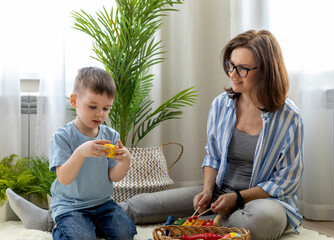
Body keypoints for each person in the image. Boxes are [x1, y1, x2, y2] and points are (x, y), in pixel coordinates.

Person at [6, 30, 303, 240]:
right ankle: (52, 219)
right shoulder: (222, 105)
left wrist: (238, 198)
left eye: (242, 68)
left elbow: (285, 182)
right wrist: (210, 190)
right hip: (221, 192)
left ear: (265, 70)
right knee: (148, 204)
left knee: (263, 222)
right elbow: (212, 155)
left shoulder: (289, 118)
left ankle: (217, 224)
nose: (232, 74)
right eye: (230, 65)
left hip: (261, 200)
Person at [7, 67, 137, 240]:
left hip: (103, 204)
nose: (100, 114)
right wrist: (81, 152)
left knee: (125, 234)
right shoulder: (63, 137)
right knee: (80, 237)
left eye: (106, 108)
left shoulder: (111, 136)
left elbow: (114, 176)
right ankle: (54, 224)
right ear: (75, 101)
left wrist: (125, 161)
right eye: (92, 106)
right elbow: (64, 178)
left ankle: (90, 226)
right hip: (71, 206)